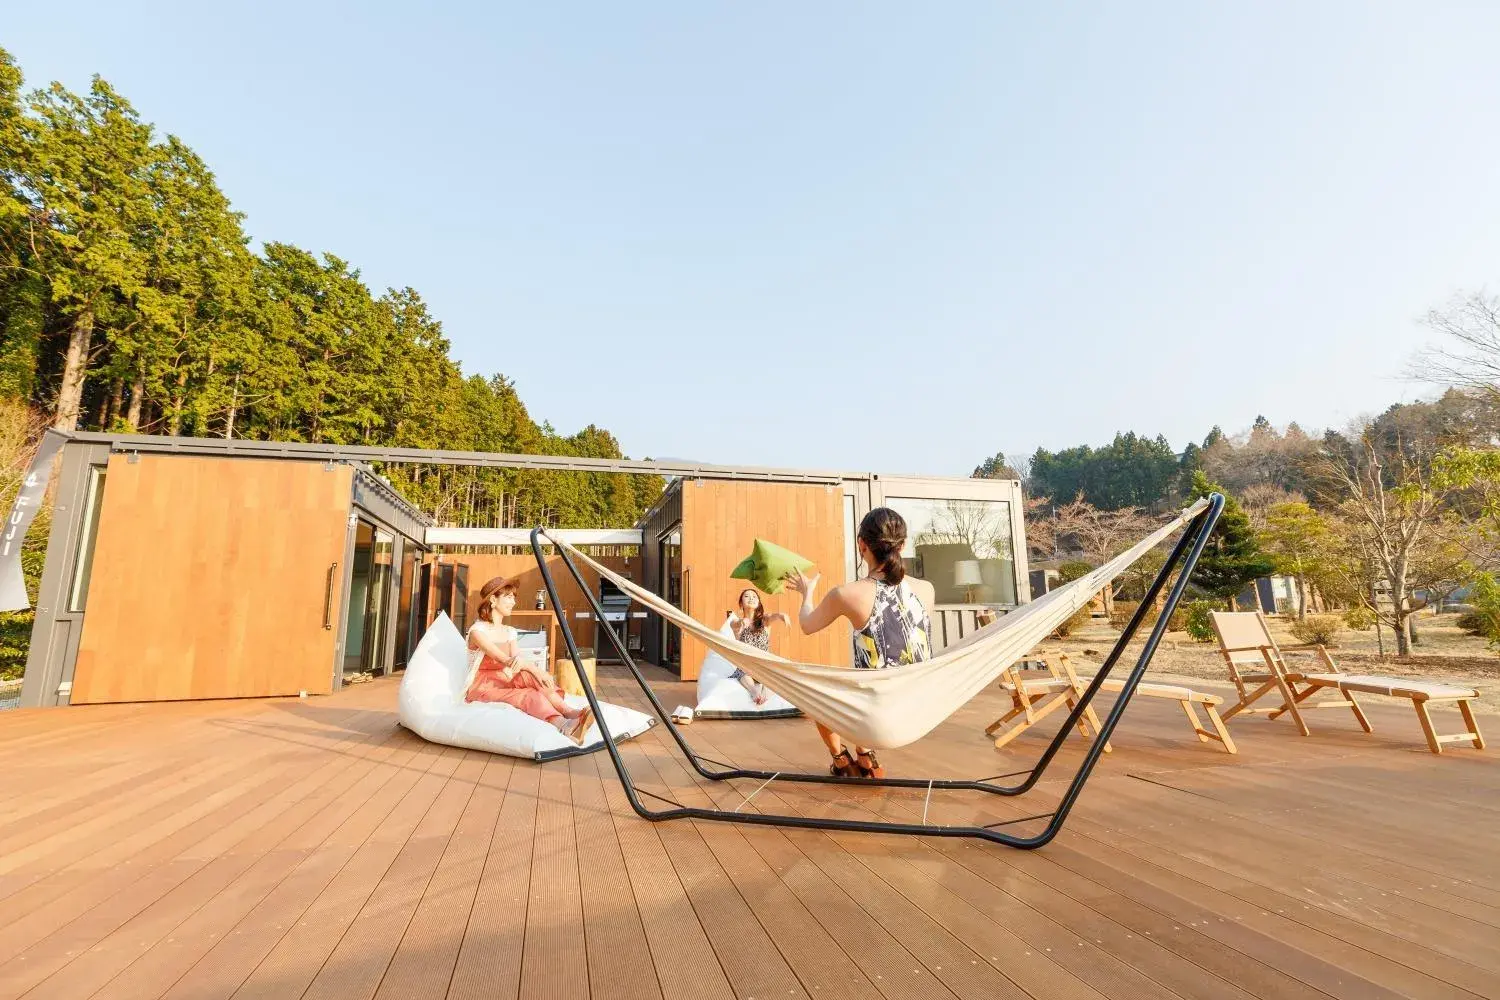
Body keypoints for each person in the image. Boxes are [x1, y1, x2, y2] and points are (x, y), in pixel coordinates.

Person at [783, 508, 931, 778]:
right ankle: (864, 754)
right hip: (918, 713)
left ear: (862, 545)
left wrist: (807, 593)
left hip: (876, 721)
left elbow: (807, 625)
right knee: (866, 683)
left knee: (814, 690)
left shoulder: (847, 593)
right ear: (903, 545)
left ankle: (840, 759)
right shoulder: (926, 590)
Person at [465, 576, 594, 744]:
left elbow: (518, 660)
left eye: (514, 597)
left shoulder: (509, 631)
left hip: (504, 679)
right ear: (493, 600)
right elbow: (505, 660)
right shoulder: (477, 631)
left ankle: (569, 712)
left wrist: (532, 672)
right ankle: (563, 725)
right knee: (528, 693)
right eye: (508, 597)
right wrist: (539, 671)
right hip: (484, 686)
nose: (513, 602)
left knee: (528, 675)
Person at [726, 588, 790, 705]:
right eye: (747, 596)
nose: (751, 598)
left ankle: (765, 694)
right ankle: (755, 692)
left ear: (759, 603)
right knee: (744, 671)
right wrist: (741, 622)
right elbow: (734, 624)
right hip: (746, 666)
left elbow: (773, 616)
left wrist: (781, 615)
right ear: (741, 603)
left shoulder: (765, 620)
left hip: (764, 665)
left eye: (754, 596)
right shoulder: (736, 622)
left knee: (775, 673)